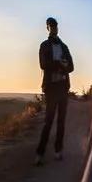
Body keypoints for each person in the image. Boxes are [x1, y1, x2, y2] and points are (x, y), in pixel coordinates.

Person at [36, 17, 74, 165]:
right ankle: (40, 153)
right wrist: (59, 64)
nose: (53, 28)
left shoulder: (64, 46)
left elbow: (71, 67)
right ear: (47, 28)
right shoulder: (44, 45)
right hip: (51, 88)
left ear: (58, 28)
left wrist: (62, 66)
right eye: (51, 26)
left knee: (61, 121)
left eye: (55, 26)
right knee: (48, 121)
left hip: (63, 87)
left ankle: (58, 151)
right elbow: (43, 64)